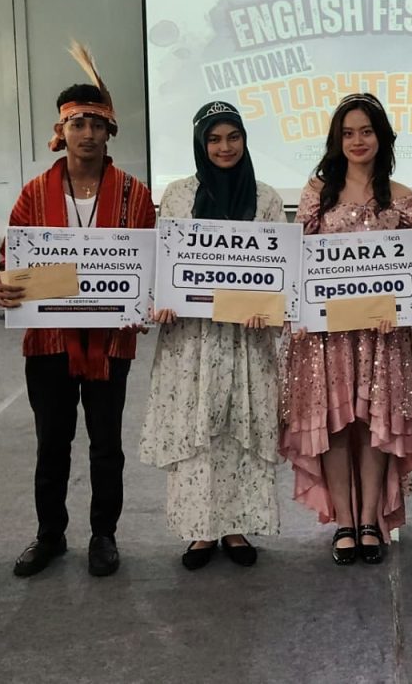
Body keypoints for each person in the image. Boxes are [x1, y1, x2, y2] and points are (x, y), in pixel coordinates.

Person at [0, 44, 156, 578]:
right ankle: (50, 535)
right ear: (61, 130)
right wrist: (5, 282)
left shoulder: (134, 194)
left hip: (110, 341)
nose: (87, 133)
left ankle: (104, 534)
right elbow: (13, 258)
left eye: (96, 124)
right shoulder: (34, 193)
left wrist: (144, 297)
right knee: (51, 443)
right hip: (50, 340)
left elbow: (150, 261)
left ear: (110, 131)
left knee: (106, 444)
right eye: (77, 123)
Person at [280, 92, 412, 565]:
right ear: (336, 140)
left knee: (375, 423)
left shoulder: (402, 198)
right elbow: (299, 262)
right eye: (347, 133)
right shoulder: (316, 195)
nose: (357, 140)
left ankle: (369, 520)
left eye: (366, 131)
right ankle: (344, 520)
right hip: (328, 336)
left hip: (383, 335)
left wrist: (400, 307)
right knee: (337, 424)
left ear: (381, 137)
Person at [140, 101, 283, 570]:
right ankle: (201, 531)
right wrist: (163, 297)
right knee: (198, 431)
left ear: (244, 140)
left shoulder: (265, 198)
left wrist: (268, 306)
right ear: (201, 144)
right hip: (192, 341)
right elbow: (164, 260)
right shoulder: (179, 195)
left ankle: (237, 526)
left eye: (233, 137)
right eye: (215, 139)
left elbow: (280, 269)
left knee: (241, 428)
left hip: (247, 340)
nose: (225, 147)